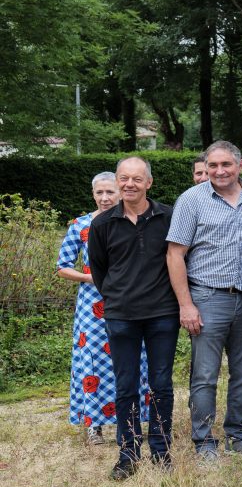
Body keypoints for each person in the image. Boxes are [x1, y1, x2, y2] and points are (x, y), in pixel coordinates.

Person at [166, 141, 242, 465]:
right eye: (213, 166)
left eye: (226, 165)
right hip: (208, 298)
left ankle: (239, 436)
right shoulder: (191, 201)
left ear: (241, 165)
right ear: (205, 168)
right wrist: (186, 305)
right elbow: (175, 254)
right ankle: (204, 441)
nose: (219, 171)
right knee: (205, 376)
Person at [88, 157, 180, 480]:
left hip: (162, 314)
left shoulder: (168, 216)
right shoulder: (102, 224)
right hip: (121, 316)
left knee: (161, 384)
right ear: (117, 181)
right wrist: (117, 296)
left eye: (136, 179)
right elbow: (99, 271)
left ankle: (161, 449)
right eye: (123, 179)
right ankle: (128, 453)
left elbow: (179, 259)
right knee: (125, 385)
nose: (129, 184)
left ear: (149, 183)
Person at [55, 172, 150, 445]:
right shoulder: (81, 225)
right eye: (100, 193)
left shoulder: (131, 221)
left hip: (130, 300)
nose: (105, 198)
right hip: (93, 305)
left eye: (110, 192)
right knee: (93, 361)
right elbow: (61, 266)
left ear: (120, 193)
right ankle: (94, 425)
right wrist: (90, 277)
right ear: (93, 194)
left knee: (133, 359)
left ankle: (131, 420)